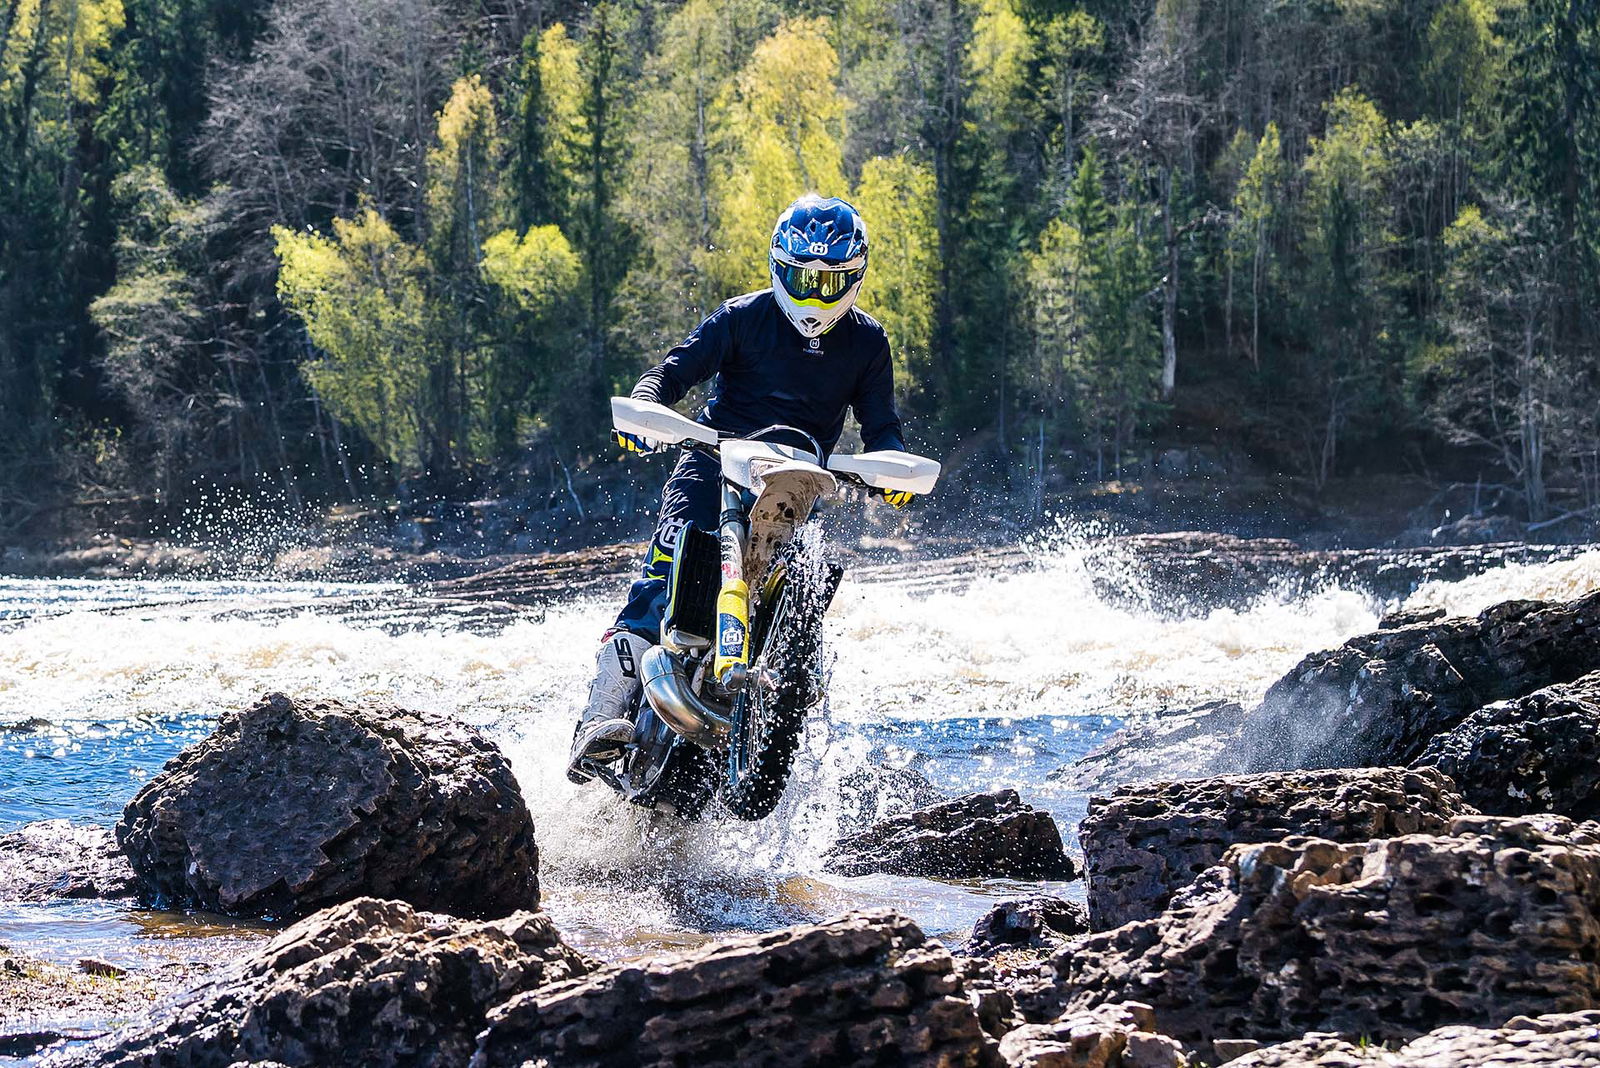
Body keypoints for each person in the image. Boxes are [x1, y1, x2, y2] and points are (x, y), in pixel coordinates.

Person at [566, 193, 910, 783]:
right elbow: (669, 374)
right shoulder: (741, 317)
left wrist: (893, 470)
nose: (814, 296)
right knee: (659, 586)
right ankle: (598, 723)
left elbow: (883, 429)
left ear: (855, 277)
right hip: (711, 469)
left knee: (805, 585)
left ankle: (787, 696)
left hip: (792, 488)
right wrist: (646, 410)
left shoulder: (868, 344)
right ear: (778, 267)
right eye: (801, 279)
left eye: (829, 283)